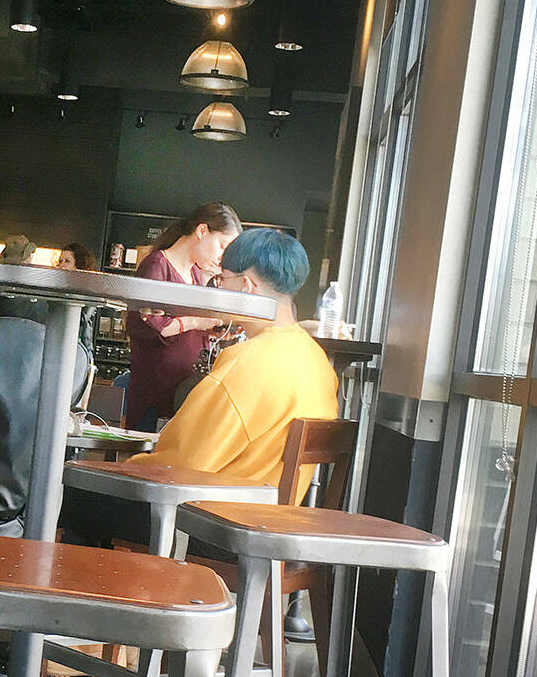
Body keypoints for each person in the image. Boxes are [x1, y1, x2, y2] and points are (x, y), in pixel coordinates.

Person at [61, 228, 339, 549]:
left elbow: (180, 466)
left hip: (217, 526)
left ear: (247, 286)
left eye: (223, 279)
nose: (218, 289)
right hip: (270, 522)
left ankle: (108, 595)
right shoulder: (317, 362)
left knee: (77, 493)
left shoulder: (247, 362)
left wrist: (122, 468)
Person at [124, 203, 242, 432]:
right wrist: (197, 322)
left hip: (183, 390)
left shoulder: (196, 274)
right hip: (154, 389)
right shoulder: (157, 265)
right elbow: (146, 325)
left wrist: (213, 329)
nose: (222, 258)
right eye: (222, 246)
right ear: (202, 231)